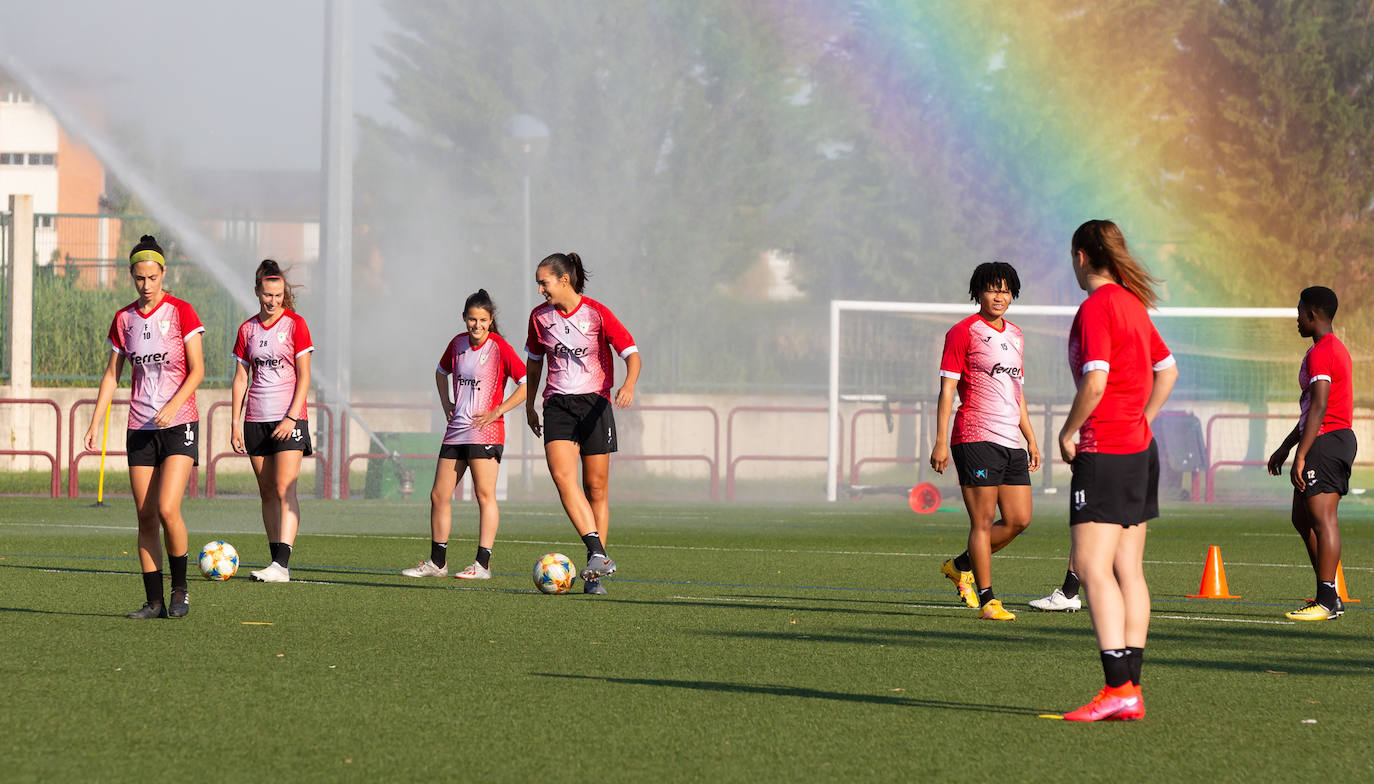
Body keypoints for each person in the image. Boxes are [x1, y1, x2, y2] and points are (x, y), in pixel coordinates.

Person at [1057, 219, 1177, 722]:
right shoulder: (1133, 304)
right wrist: (1143, 421)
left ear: (1082, 256)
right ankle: (1131, 688)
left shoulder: (1097, 307)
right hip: (1138, 450)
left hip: (1105, 449)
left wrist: (1068, 432)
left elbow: (1096, 381)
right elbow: (1168, 369)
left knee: (1090, 567)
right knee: (1128, 568)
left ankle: (1117, 689)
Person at [84, 235, 205, 619]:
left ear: (163, 273)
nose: (146, 284)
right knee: (145, 515)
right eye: (139, 278)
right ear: (132, 276)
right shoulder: (124, 319)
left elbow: (198, 370)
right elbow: (111, 376)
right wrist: (95, 421)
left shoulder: (182, 312)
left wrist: (172, 406)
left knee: (169, 508)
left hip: (179, 423)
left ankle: (180, 592)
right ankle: (153, 601)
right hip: (140, 427)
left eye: (152, 277)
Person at [524, 252, 640, 595]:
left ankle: (594, 577)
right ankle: (597, 554)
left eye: (544, 283)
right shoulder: (538, 318)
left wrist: (629, 384)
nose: (541, 290)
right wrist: (530, 404)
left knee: (596, 489)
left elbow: (631, 353)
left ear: (564, 280)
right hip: (557, 404)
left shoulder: (597, 313)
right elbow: (533, 365)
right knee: (563, 478)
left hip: (595, 404)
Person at [932, 261, 1040, 621]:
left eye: (1007, 290)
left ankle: (961, 565)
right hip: (975, 436)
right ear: (978, 292)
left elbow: (1017, 391)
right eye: (993, 289)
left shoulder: (1017, 335)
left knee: (1019, 519)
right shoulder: (963, 332)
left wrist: (1031, 438)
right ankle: (989, 599)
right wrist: (940, 441)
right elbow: (947, 390)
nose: (1000, 296)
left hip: (1011, 440)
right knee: (982, 521)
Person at [401, 289, 527, 579]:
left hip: (486, 433)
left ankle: (482, 565)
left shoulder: (499, 348)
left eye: (483, 320)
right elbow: (440, 371)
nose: (477, 326)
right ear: (464, 319)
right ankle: (438, 563)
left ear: (491, 319)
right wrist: (446, 403)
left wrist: (498, 411)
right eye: (472, 319)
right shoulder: (457, 344)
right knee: (438, 495)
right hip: (456, 431)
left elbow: (526, 383)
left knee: (484, 495)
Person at [1267, 286, 1354, 621]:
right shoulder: (1322, 349)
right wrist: (1286, 447)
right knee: (1301, 518)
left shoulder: (1325, 351)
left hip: (1328, 440)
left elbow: (1319, 407)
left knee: (1323, 518)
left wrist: (1300, 456)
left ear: (1313, 314)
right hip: (1320, 437)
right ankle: (1328, 594)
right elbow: (1310, 411)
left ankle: (1327, 599)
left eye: (1299, 311)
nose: (1296, 319)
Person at [230, 260, 315, 583]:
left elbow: (305, 377)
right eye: (267, 295)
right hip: (256, 419)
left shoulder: (296, 325)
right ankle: (274, 561)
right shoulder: (247, 330)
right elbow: (241, 378)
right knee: (266, 491)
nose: (273, 301)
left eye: (278, 295)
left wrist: (291, 416)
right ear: (257, 292)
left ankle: (282, 563)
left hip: (289, 419)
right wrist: (235, 422)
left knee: (284, 487)